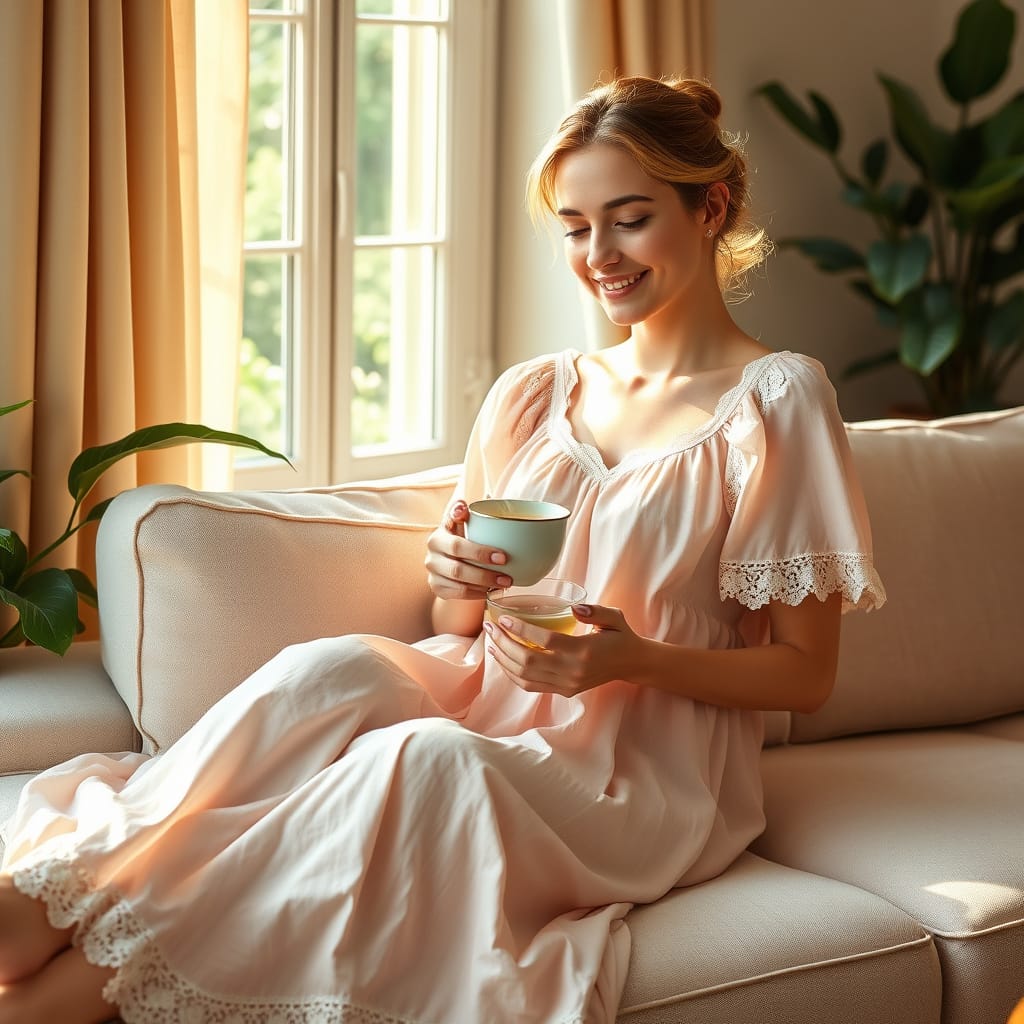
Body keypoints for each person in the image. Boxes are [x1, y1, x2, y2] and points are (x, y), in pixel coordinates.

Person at [0, 75, 885, 1024]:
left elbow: (806, 674)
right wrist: (455, 577)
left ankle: (70, 994)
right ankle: (45, 900)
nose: (599, 256)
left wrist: (629, 658)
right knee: (328, 671)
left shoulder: (775, 401)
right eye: (576, 228)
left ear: (710, 208)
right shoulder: (535, 394)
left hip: (642, 770)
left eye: (629, 220)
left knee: (425, 758)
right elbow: (457, 621)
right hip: (486, 693)